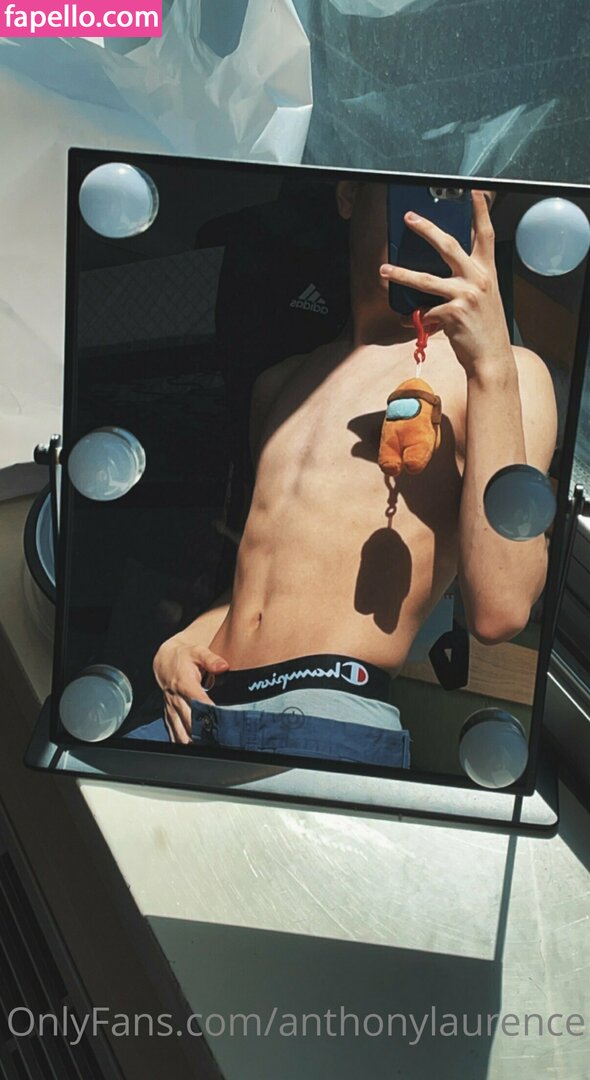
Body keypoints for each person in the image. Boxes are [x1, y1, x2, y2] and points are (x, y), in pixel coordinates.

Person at [136, 184, 557, 765]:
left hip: (327, 710)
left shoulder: (502, 374)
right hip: (197, 703)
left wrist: (489, 363)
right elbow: (266, 573)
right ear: (348, 191)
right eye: (414, 187)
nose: (429, 215)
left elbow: (501, 608)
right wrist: (185, 639)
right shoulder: (281, 383)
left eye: (457, 195)